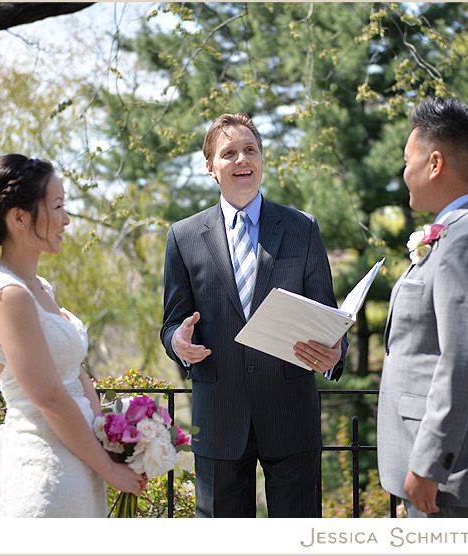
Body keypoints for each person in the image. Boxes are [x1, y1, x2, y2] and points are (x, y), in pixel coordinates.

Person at [160, 113, 348, 518]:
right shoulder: (184, 236)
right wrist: (177, 342)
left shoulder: (302, 228)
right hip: (219, 416)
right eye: (229, 152)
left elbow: (329, 315)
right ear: (210, 167)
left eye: (251, 150)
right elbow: (171, 324)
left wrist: (336, 352)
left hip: (290, 414)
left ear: (262, 159)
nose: (242, 159)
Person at [0, 154, 145, 517]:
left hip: (79, 461)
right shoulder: (9, 295)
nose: (66, 219)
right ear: (19, 217)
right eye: (57, 206)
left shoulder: (39, 287)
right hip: (46, 469)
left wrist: (112, 439)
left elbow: (74, 373)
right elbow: (49, 398)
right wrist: (109, 470)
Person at [377, 98, 468, 518]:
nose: (404, 173)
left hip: (451, 476)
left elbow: (461, 360)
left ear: (434, 163)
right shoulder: (464, 230)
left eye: (408, 160)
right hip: (442, 474)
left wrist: (428, 464)